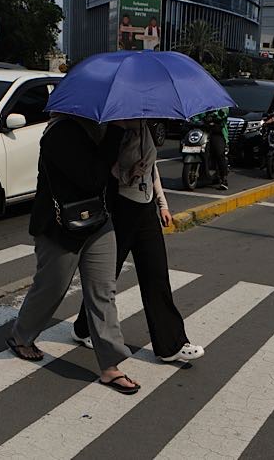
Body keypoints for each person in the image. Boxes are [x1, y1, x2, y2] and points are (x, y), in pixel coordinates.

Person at [8, 115, 141, 395]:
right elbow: (91, 178)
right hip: (60, 226)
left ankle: (110, 366)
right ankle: (22, 336)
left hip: (98, 222)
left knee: (103, 292)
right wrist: (116, 135)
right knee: (51, 288)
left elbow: (107, 178)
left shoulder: (101, 129)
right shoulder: (61, 133)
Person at [72, 120, 205, 363]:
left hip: (145, 211)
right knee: (106, 275)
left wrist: (162, 204)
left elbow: (152, 169)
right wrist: (127, 174)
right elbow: (101, 166)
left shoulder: (146, 127)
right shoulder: (113, 129)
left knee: (156, 275)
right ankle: (83, 327)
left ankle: (170, 345)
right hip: (121, 209)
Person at [189, 109, 230, 190]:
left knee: (219, 153)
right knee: (201, 152)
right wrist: (194, 120)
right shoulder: (200, 102)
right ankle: (202, 176)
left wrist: (213, 116)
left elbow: (224, 112)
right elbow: (195, 116)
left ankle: (223, 179)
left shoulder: (220, 102)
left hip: (217, 132)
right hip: (202, 130)